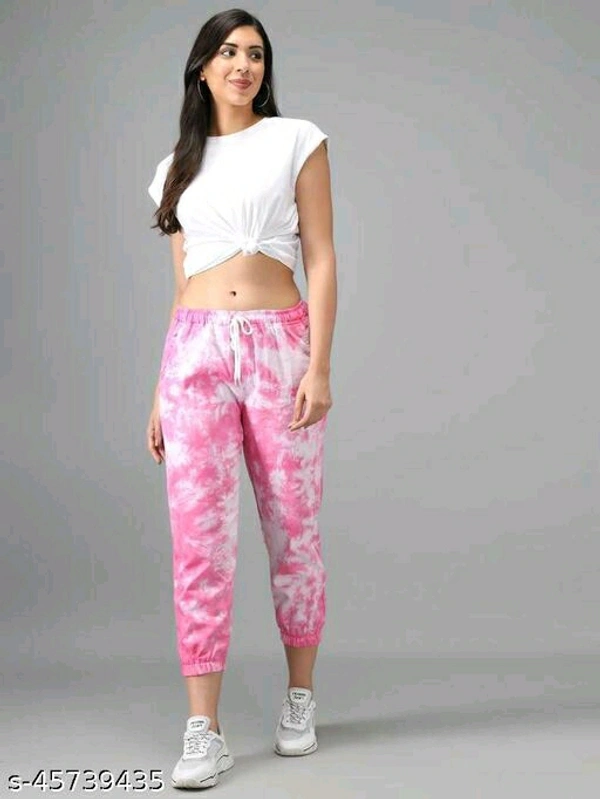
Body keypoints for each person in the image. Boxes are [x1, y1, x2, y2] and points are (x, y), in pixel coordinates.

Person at [145, 8, 337, 790]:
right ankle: (205, 729)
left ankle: (300, 698)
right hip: (194, 353)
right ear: (202, 67)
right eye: (227, 52)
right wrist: (159, 390)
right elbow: (183, 284)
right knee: (198, 541)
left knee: (294, 528)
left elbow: (321, 257)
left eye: (255, 53)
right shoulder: (175, 169)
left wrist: (318, 365)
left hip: (277, 346)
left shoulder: (297, 140)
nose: (243, 65)